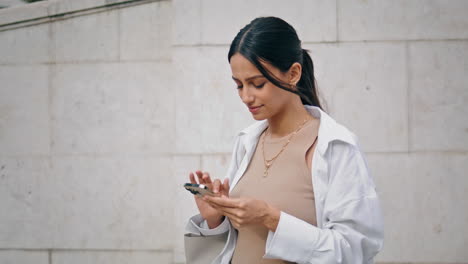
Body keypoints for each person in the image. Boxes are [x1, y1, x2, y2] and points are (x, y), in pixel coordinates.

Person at [184, 16, 384, 264]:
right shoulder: (247, 143)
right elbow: (239, 245)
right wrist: (217, 217)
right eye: (238, 85)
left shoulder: (335, 146)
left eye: (257, 84)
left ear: (293, 73)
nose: (246, 97)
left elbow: (354, 250)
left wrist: (271, 218)